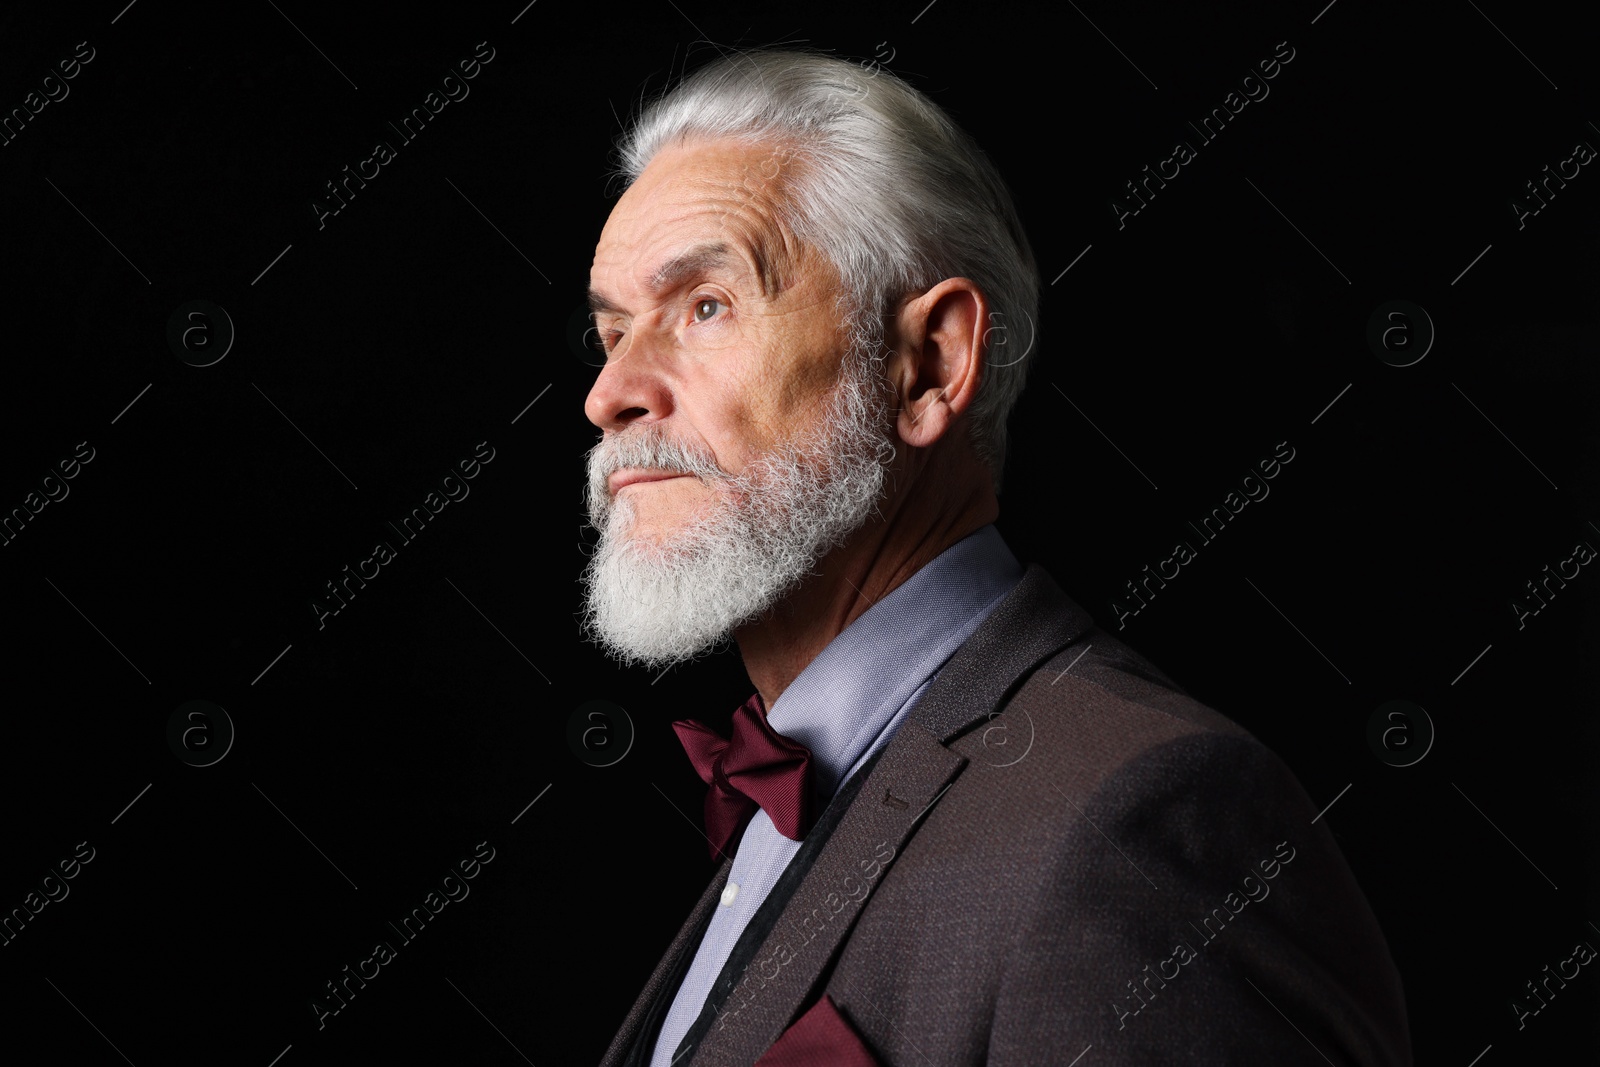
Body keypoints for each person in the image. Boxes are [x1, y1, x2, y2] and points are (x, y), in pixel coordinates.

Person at [578, 47, 1411, 1067]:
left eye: (704, 306)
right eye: (611, 331)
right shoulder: (778, 801)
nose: (610, 392)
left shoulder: (1139, 824)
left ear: (928, 365)